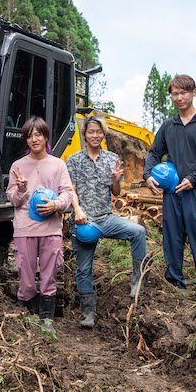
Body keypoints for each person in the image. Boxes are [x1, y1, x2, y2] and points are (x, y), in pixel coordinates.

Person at [66, 115, 149, 329]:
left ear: (103, 134)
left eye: (99, 132)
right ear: (84, 135)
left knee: (138, 232)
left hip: (106, 218)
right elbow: (71, 191)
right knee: (84, 269)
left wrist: (115, 180)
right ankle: (88, 313)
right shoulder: (74, 160)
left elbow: (116, 192)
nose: (95, 135)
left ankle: (137, 281)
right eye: (91, 132)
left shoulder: (112, 158)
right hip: (85, 222)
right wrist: (77, 210)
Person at [143, 74, 196, 296]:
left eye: (183, 92)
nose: (179, 98)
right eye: (174, 94)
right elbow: (155, 152)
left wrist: (193, 179)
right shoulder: (169, 126)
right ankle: (175, 282)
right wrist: (148, 175)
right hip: (172, 191)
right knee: (172, 237)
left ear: (194, 92)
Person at [6, 117, 73, 333]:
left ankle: (47, 319)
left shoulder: (58, 164)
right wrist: (22, 189)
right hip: (24, 228)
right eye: (29, 135)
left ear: (45, 137)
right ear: (25, 139)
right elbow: (13, 200)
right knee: (25, 273)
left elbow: (68, 193)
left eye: (38, 134)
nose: (34, 139)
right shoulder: (18, 166)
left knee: (49, 273)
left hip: (51, 229)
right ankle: (30, 312)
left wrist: (56, 204)